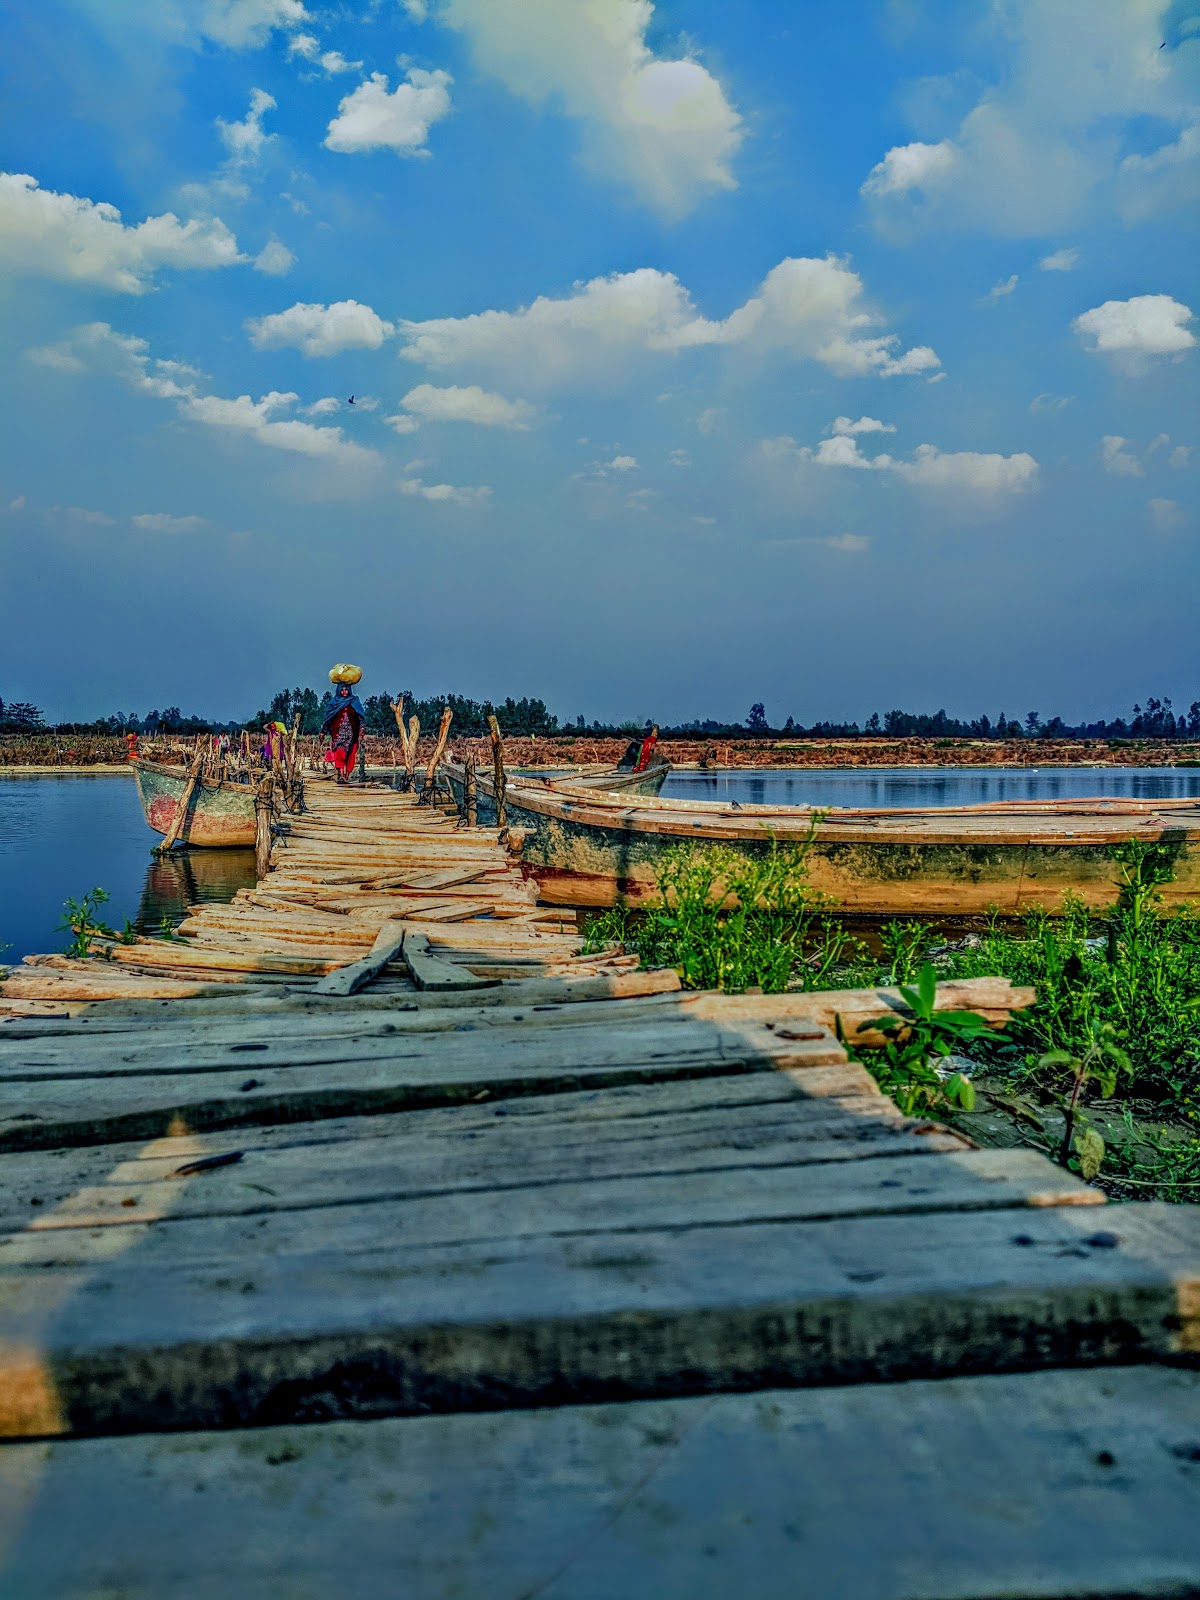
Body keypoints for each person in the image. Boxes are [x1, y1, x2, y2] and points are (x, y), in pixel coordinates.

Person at [320, 666, 365, 783]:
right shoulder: (333, 703)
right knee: (340, 753)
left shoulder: (355, 701)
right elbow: (328, 718)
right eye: (342, 690)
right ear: (339, 690)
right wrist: (323, 732)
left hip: (352, 735)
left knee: (350, 755)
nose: (344, 692)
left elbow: (361, 717)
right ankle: (341, 775)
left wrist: (362, 729)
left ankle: (346, 776)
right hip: (338, 734)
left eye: (346, 690)